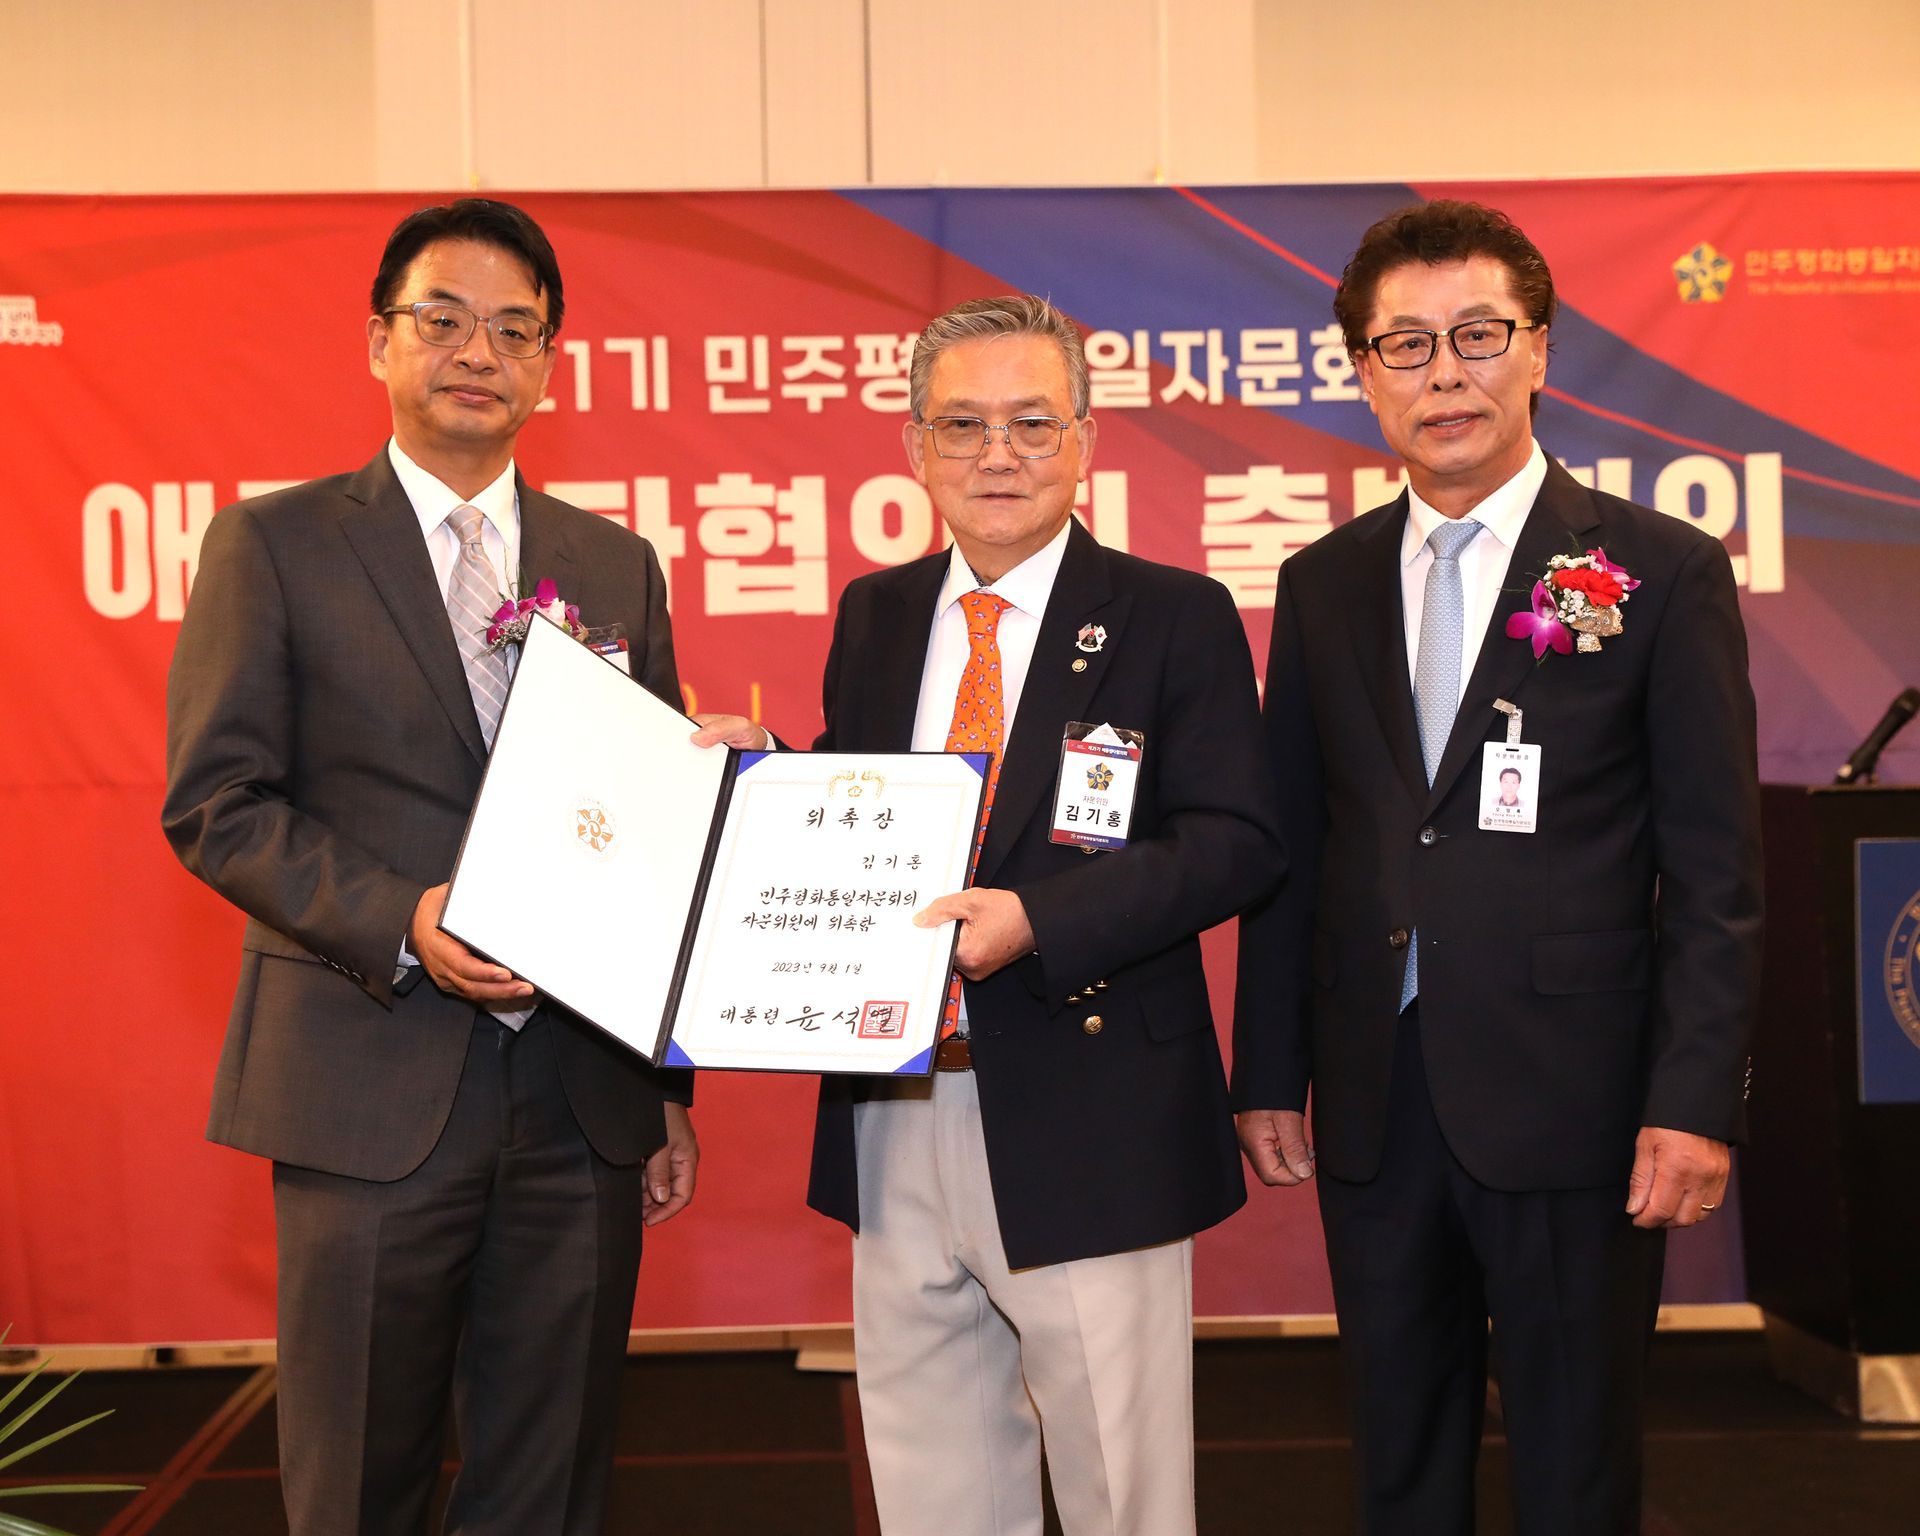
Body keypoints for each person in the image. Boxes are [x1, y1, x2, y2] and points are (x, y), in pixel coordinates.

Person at [163, 198, 697, 1536]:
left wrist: (666, 1086)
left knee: (550, 1480)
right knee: (358, 1478)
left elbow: (651, 828)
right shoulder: (274, 545)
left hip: (579, 1095)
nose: (479, 353)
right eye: (444, 320)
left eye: (516, 330)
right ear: (379, 342)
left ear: (550, 363)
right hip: (367, 1081)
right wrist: (404, 918)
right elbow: (218, 803)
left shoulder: (613, 563)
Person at [1233, 201, 1763, 1535]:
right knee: (1398, 1463)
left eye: (1477, 335)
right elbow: (1299, 846)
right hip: (1376, 1095)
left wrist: (1694, 1097)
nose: (1445, 374)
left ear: (1538, 350)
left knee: (1576, 1468)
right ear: (1363, 374)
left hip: (1577, 1098)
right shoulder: (1323, 582)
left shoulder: (1658, 571)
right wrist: (1269, 1071)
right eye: (1404, 345)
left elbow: (1716, 871)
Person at [797, 295, 1281, 1536]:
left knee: (1123, 1491)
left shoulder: (1174, 614)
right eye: (962, 425)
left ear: (1085, 441)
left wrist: (1041, 920)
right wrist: (764, 784)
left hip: (1092, 1105)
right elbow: (858, 812)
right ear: (915, 447)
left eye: (1031, 423)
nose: (997, 455)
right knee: (933, 1489)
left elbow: (1236, 841)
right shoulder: (877, 613)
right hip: (897, 1099)